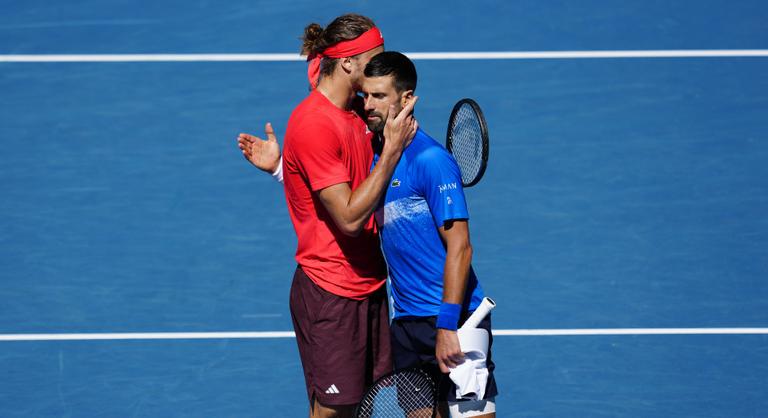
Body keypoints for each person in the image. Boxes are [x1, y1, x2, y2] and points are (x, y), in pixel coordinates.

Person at [239, 14, 418, 418]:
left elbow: (320, 70)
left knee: (363, 406)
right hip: (332, 293)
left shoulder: (356, 106)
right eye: (375, 57)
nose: (381, 66)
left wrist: (283, 168)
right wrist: (390, 151)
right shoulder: (314, 124)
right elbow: (351, 219)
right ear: (350, 63)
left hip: (369, 284)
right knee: (334, 411)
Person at [362, 51, 497, 418]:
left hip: (455, 320)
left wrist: (446, 325)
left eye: (379, 96)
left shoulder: (431, 161)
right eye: (365, 96)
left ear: (407, 99)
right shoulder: (378, 156)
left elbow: (461, 247)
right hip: (406, 323)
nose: (368, 105)